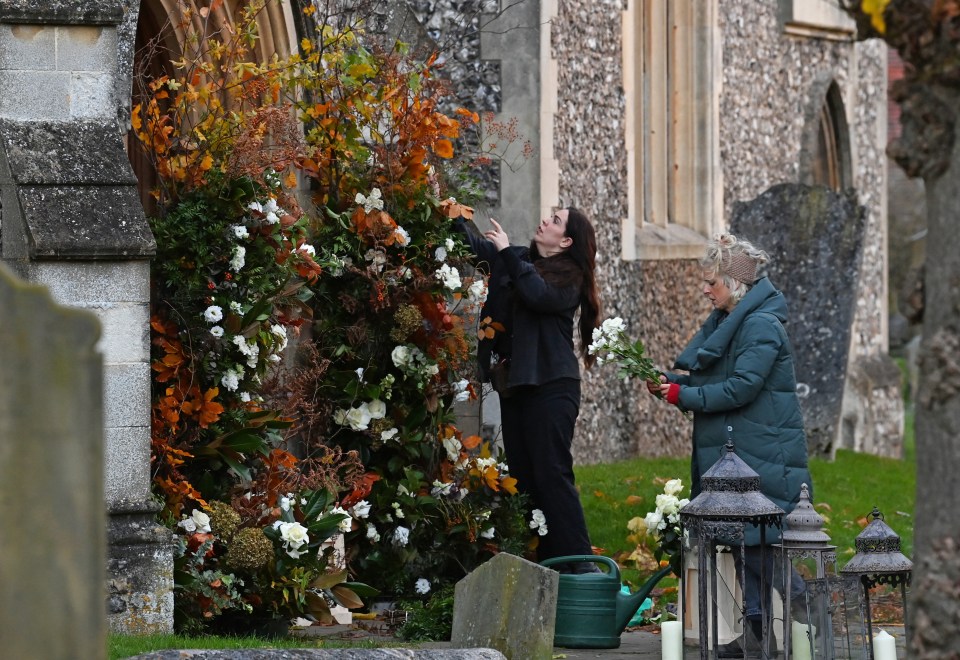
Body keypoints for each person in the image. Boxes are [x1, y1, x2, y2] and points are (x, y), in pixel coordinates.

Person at [647, 233, 811, 658]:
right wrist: (673, 383)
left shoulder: (759, 325)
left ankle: (813, 620)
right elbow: (716, 381)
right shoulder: (732, 320)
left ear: (735, 285)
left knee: (762, 553)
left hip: (762, 453)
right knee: (745, 547)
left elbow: (740, 389)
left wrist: (680, 396)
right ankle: (759, 637)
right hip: (742, 454)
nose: (705, 289)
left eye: (712, 283)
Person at [455, 208, 601, 572]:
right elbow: (473, 247)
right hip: (517, 386)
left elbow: (537, 294)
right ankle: (550, 565)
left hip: (553, 388)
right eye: (549, 215)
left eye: (555, 220)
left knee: (552, 472)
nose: (545, 220)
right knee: (525, 476)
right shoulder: (519, 258)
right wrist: (449, 208)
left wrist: (505, 252)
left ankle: (581, 565)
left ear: (566, 241)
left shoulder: (571, 278)